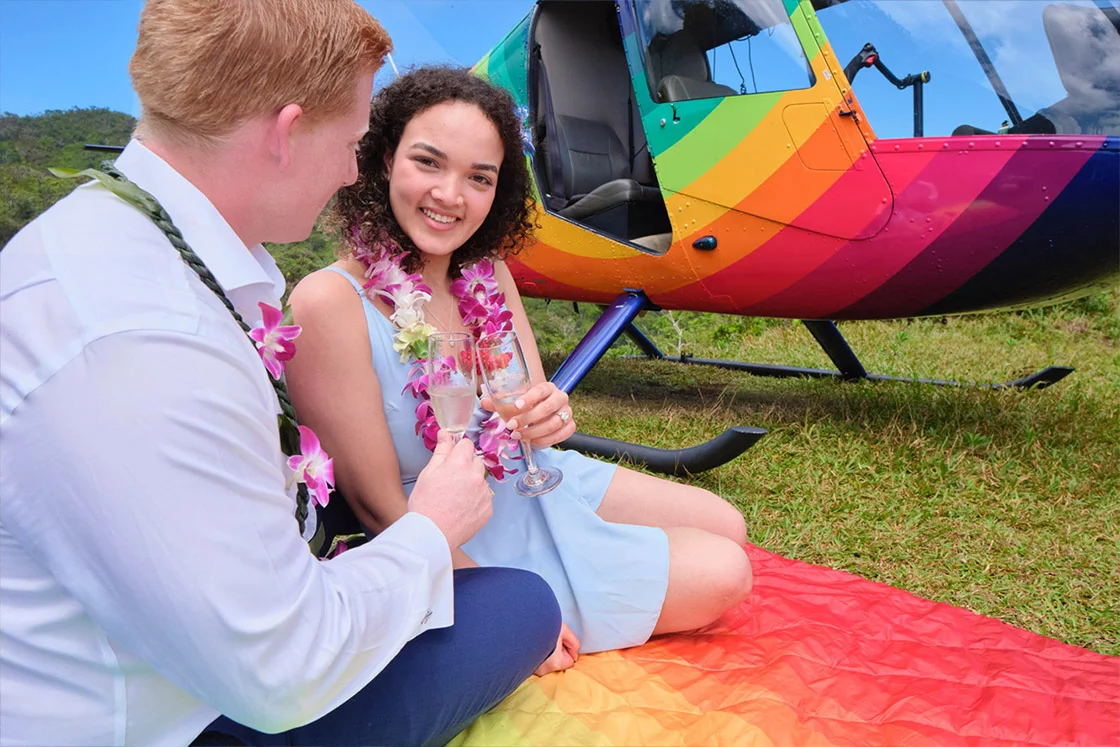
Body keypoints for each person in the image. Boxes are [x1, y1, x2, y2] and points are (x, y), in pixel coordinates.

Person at [0, 3, 560, 746]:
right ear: (289, 130)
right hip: (181, 714)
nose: (355, 168)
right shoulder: (140, 339)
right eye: (357, 141)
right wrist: (429, 531)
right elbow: (282, 674)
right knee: (523, 603)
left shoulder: (124, 252)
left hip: (189, 646)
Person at [285, 66, 753, 676]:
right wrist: (507, 614)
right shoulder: (328, 303)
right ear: (380, 160)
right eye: (428, 162)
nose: (451, 196)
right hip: (453, 532)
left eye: (478, 177)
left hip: (533, 475)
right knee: (725, 573)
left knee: (728, 523)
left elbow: (531, 402)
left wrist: (550, 414)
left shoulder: (488, 273)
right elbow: (378, 510)